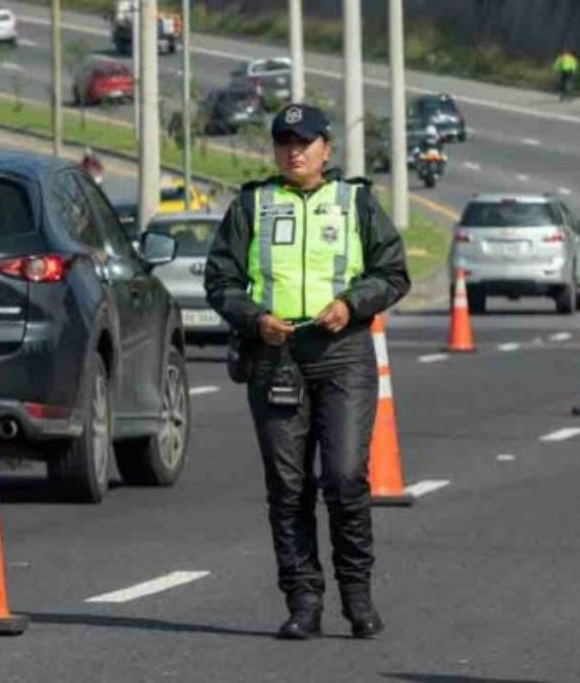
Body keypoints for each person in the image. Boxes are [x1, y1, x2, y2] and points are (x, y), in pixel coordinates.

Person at [204, 104, 410, 640]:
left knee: (344, 477)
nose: (294, 151)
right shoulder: (252, 204)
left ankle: (358, 596)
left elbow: (392, 271)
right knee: (288, 486)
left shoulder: (356, 201)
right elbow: (219, 280)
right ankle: (303, 601)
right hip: (276, 356)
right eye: (284, 142)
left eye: (304, 141)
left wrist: (352, 303)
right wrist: (254, 319)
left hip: (342, 352)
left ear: (327, 149)